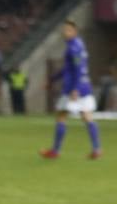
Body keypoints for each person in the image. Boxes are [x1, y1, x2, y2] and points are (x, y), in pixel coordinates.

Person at [40, 21, 101, 159]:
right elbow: (69, 68)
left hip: (73, 87)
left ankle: (55, 151)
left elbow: (78, 69)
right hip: (84, 86)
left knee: (61, 116)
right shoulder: (79, 45)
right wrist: (52, 79)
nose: (65, 32)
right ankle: (96, 149)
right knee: (87, 116)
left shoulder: (73, 48)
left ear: (75, 31)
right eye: (64, 30)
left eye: (68, 30)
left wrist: (75, 89)